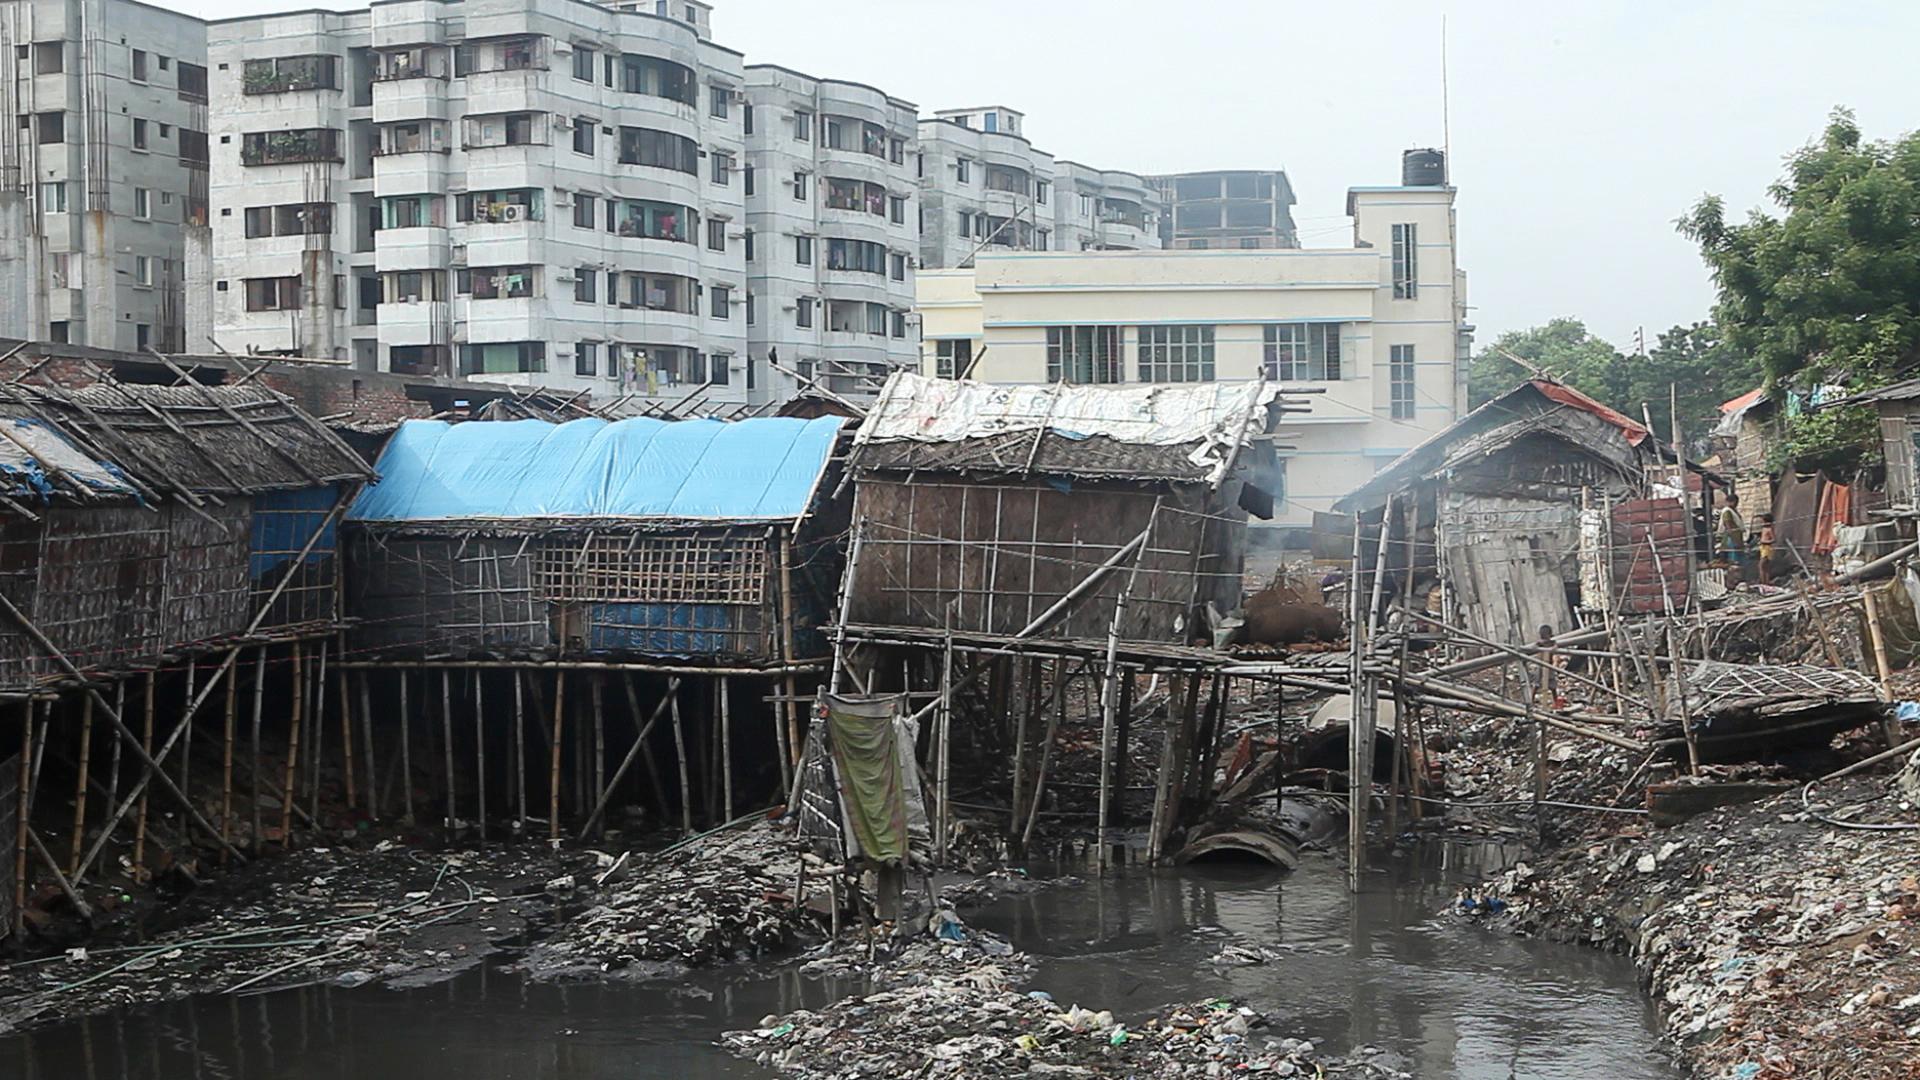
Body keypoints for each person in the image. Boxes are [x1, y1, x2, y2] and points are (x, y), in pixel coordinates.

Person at [1716, 493, 1748, 578]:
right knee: (1734, 560)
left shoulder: (1732, 510)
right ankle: (1735, 579)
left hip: (1737, 537)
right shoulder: (1727, 511)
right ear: (1732, 502)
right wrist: (1735, 540)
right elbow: (1728, 524)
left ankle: (1741, 578)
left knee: (1740, 559)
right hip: (1731, 538)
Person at [1754, 513, 1776, 586]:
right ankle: (1765, 581)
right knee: (1764, 566)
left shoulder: (1769, 529)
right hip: (1763, 548)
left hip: (1767, 548)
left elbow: (1773, 539)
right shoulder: (1764, 529)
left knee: (1762, 565)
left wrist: (1764, 541)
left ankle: (1765, 582)